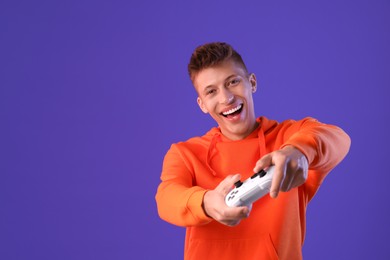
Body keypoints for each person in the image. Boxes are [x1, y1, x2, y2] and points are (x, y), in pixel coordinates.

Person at [155, 42, 351, 260]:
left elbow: (339, 139)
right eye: (212, 91)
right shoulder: (185, 153)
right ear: (202, 104)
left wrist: (299, 152)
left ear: (252, 82)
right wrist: (206, 203)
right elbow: (165, 198)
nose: (226, 98)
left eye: (233, 82)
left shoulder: (289, 137)